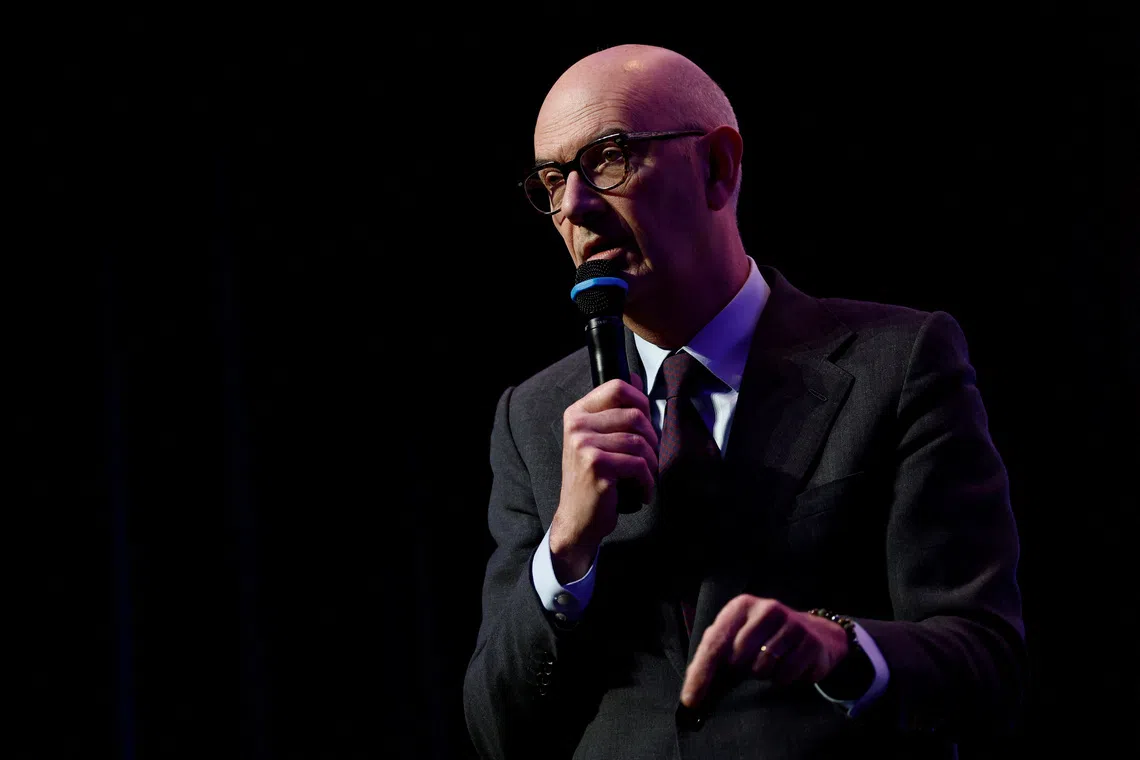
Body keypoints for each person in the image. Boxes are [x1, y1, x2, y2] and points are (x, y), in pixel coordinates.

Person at [462, 43, 1026, 759]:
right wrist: (566, 552)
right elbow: (495, 731)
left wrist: (841, 647)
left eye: (608, 157)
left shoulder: (900, 362)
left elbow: (989, 662)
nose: (573, 206)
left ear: (718, 167)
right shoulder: (532, 420)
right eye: (551, 179)